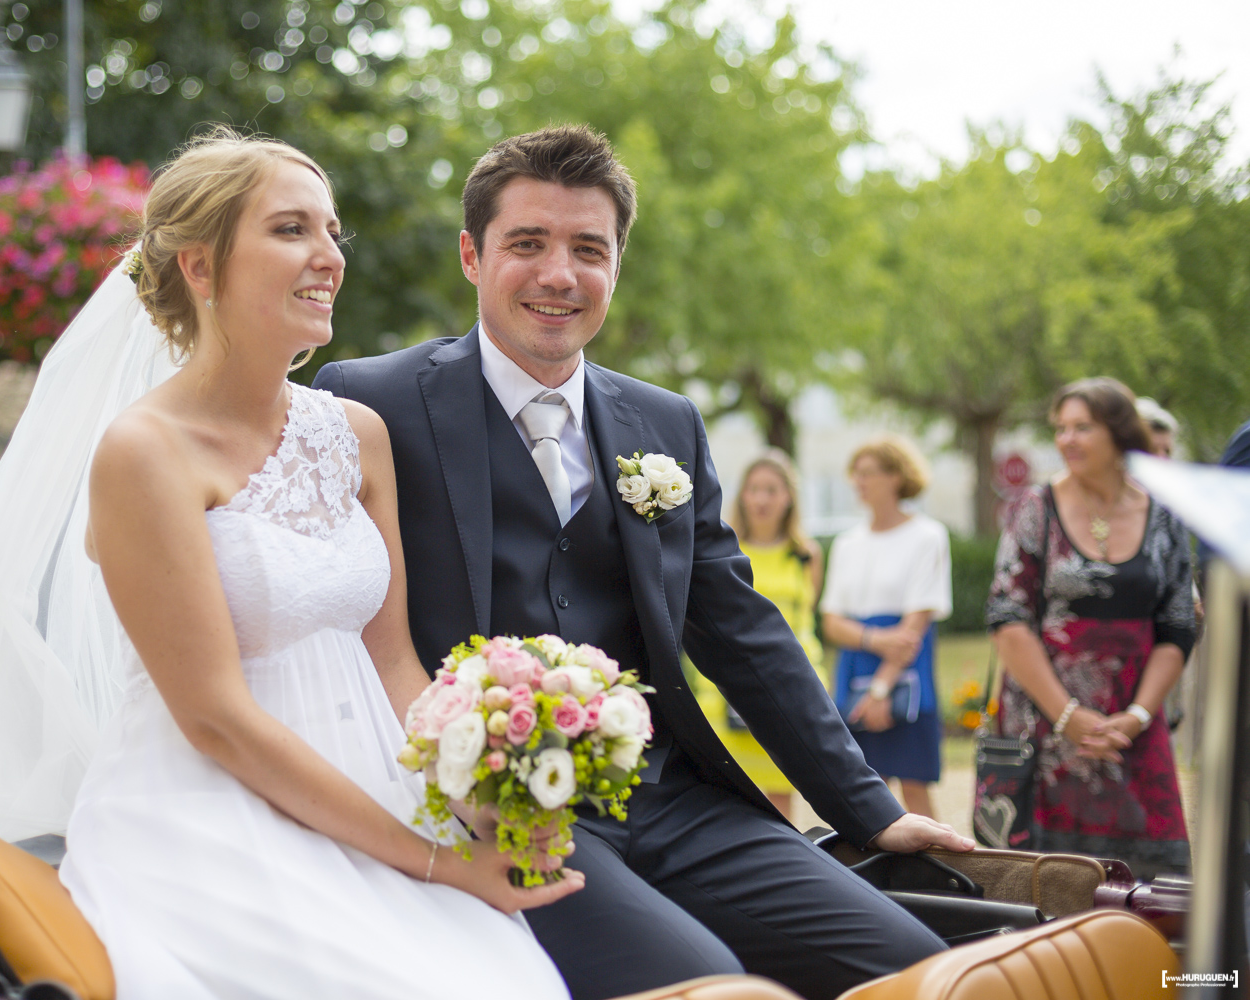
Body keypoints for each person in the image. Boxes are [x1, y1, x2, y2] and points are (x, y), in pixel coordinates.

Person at [0, 132, 576, 999]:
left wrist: (480, 801)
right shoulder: (145, 453)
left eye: (332, 231)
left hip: (380, 790)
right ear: (199, 265)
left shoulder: (357, 436)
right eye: (292, 229)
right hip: (211, 821)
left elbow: (393, 664)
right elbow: (216, 719)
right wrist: (435, 865)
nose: (329, 255)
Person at [314, 124, 968, 1000]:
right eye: (527, 243)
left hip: (673, 794)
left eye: (589, 249)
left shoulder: (666, 424)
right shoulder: (370, 402)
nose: (559, 274)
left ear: (617, 265)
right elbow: (334, 630)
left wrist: (873, 810)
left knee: (920, 965)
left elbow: (741, 630)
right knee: (704, 985)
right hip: (496, 809)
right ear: (472, 256)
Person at [986, 377, 1195, 879]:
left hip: (1133, 726)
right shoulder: (1034, 508)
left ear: (1119, 432)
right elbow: (1008, 618)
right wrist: (1068, 716)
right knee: (1044, 887)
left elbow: (1177, 625)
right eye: (1060, 428)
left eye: (1082, 427)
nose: (1067, 439)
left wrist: (1138, 716)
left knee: (1156, 892)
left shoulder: (1164, 516)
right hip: (1044, 725)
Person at [820, 437, 952, 820]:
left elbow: (914, 628)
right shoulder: (847, 543)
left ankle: (937, 861)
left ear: (896, 476)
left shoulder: (928, 536)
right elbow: (831, 623)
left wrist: (880, 690)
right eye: (855, 474)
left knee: (914, 789)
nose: (858, 482)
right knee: (865, 793)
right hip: (854, 672)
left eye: (867, 473)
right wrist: (875, 639)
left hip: (906, 675)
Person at [695, 450, 824, 820]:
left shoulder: (806, 554)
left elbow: (808, 615)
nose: (762, 499)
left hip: (792, 680)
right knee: (730, 793)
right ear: (742, 496)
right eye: (754, 489)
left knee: (783, 790)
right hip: (727, 685)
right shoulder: (724, 549)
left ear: (789, 497)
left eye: (772, 490)